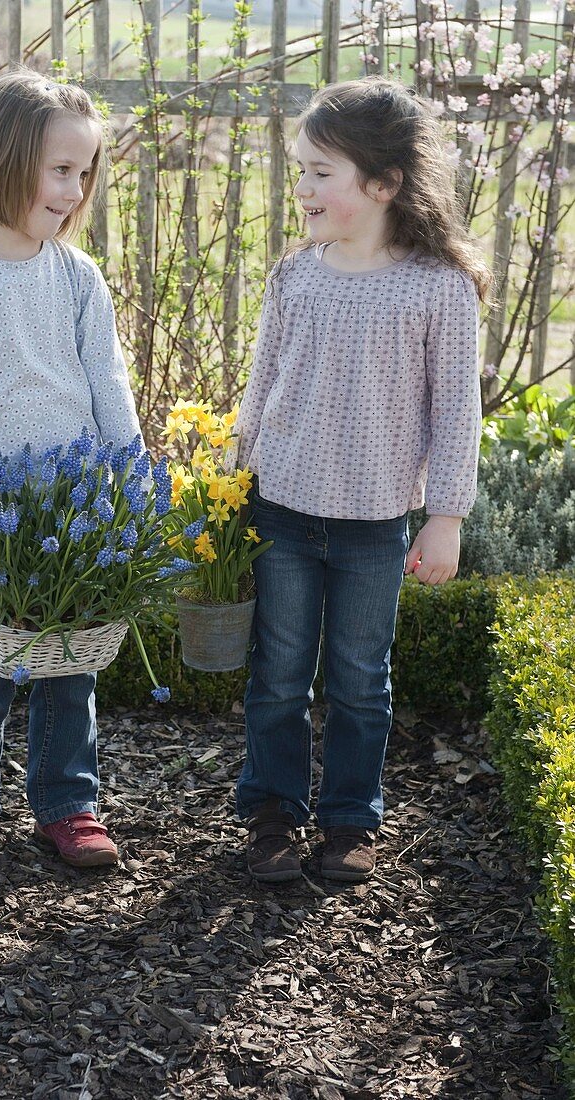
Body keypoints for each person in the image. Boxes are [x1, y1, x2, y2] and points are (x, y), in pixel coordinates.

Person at [235, 78, 489, 884]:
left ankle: (349, 820)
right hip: (281, 510)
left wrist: (445, 515)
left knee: (358, 680)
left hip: (375, 525)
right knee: (276, 674)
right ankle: (272, 812)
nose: (301, 188)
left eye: (319, 173)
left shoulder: (438, 289)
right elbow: (261, 379)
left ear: (382, 185)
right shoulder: (296, 276)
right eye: (299, 171)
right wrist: (235, 476)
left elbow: (457, 411)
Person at [0, 71, 142, 880]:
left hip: (75, 512)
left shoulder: (78, 278)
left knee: (70, 671)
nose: (76, 189)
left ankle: (68, 802)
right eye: (60, 170)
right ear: (5, 159)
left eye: (85, 173)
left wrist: (135, 497)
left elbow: (110, 386)